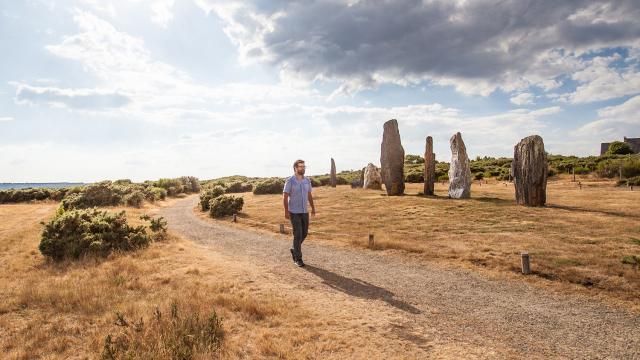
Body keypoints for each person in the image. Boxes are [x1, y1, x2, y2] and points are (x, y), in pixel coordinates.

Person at [283, 159, 315, 267]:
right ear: (295, 168)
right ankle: (298, 259)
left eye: (304, 166)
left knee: (304, 233)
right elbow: (285, 196)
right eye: (300, 166)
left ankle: (294, 248)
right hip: (294, 212)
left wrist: (313, 208)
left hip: (304, 211)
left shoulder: (307, 181)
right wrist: (286, 211)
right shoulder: (290, 181)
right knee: (298, 235)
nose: (303, 168)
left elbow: (309, 194)